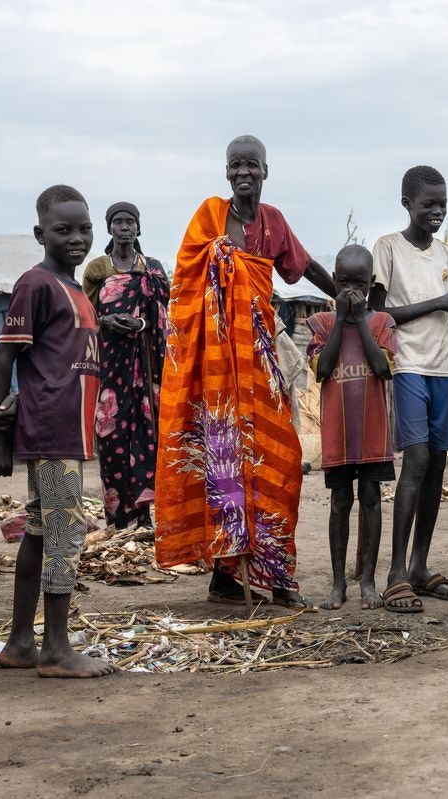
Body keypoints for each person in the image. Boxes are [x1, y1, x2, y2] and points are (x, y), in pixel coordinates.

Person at [154, 135, 334, 609]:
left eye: (252, 165)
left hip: (261, 363)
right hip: (215, 376)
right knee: (225, 464)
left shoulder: (273, 221)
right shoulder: (209, 218)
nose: (243, 173)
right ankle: (225, 578)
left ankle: (277, 574)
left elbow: (303, 265)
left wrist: (344, 291)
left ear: (266, 170)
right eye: (236, 165)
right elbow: (184, 286)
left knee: (279, 460)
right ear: (226, 171)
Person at [0, 185, 116, 678]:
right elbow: (3, 357)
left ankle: (21, 642)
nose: (77, 238)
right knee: (65, 534)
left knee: (40, 531)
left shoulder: (77, 290)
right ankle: (57, 650)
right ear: (41, 234)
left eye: (84, 229)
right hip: (52, 427)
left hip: (67, 429)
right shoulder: (35, 284)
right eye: (64, 230)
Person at [370, 165, 448, 613]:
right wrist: (439, 301)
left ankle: (419, 565)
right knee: (415, 460)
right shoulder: (388, 248)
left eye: (443, 204)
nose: (437, 211)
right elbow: (379, 314)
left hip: (445, 373)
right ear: (407, 203)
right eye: (428, 203)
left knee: (436, 465)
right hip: (408, 367)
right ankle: (395, 572)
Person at [307, 245, 397, 610]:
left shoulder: (382, 322)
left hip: (373, 434)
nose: (351, 290)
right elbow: (323, 368)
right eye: (343, 283)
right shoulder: (321, 323)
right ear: (333, 281)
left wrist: (359, 320)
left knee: (371, 500)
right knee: (340, 503)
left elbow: (383, 368)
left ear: (371, 283)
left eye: (359, 284)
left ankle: (369, 582)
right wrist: (342, 317)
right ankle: (338, 583)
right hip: (337, 435)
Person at [83, 202, 169, 530]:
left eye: (130, 222)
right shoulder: (97, 269)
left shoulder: (153, 268)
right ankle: (117, 520)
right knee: (112, 438)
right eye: (118, 222)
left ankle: (144, 517)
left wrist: (141, 325)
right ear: (109, 228)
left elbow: (165, 314)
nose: (124, 227)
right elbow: (84, 315)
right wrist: (106, 322)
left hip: (147, 367)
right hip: (111, 367)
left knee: (148, 438)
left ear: (138, 228)